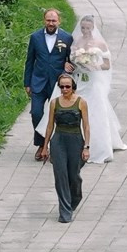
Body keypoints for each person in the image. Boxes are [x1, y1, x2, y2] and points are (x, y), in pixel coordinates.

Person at [72, 14, 127, 163]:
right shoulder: (77, 41)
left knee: (96, 110)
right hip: (81, 79)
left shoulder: (100, 43)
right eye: (83, 28)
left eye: (88, 28)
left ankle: (100, 147)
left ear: (93, 28)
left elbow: (107, 65)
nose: (85, 31)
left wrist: (94, 66)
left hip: (94, 80)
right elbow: (73, 58)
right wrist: (79, 63)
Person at [37, 75, 91, 222]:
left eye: (68, 86)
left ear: (73, 87)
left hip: (75, 140)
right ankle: (65, 212)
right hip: (59, 141)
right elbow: (50, 126)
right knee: (60, 176)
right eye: (62, 87)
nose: (65, 89)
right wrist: (45, 147)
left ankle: (75, 197)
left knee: (74, 176)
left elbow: (86, 126)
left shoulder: (81, 102)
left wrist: (86, 147)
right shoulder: (54, 103)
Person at [23, 8, 72, 151]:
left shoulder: (67, 38)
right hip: (38, 81)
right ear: (44, 20)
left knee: (58, 115)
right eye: (48, 20)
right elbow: (30, 61)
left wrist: (68, 67)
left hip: (57, 83)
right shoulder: (35, 37)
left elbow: (71, 59)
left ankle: (56, 145)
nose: (51, 23)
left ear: (59, 21)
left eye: (53, 21)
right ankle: (41, 144)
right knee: (36, 113)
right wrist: (27, 83)